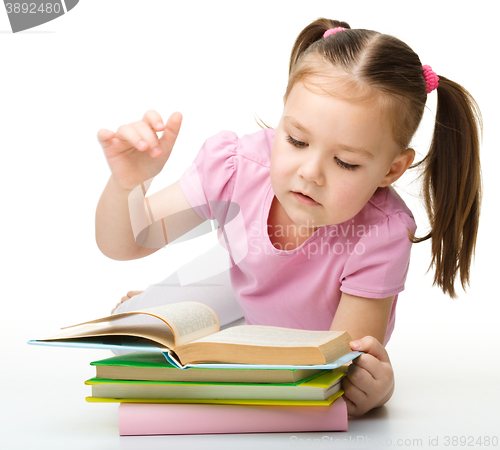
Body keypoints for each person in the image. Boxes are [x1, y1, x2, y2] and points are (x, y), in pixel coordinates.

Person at [95, 18, 482, 417]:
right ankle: (200, 309)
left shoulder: (381, 232)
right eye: (297, 140)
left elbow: (337, 366)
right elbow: (127, 242)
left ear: (390, 170)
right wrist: (128, 186)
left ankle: (214, 316)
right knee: (124, 337)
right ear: (283, 114)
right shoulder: (238, 165)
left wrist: (371, 388)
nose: (310, 172)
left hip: (305, 337)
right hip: (240, 282)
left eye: (346, 162)